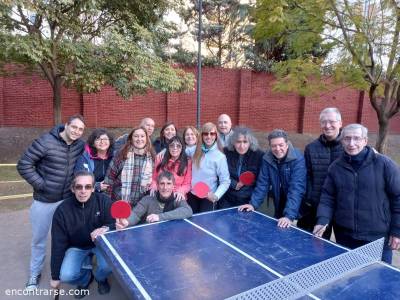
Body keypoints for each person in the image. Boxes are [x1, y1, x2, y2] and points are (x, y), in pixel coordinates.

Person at [313, 124, 400, 264]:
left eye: (356, 138)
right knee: (350, 282)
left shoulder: (385, 165)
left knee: (379, 282)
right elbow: (328, 197)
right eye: (347, 139)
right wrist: (322, 219)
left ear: (365, 141)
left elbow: (398, 198)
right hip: (345, 237)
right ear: (342, 141)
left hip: (377, 239)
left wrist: (397, 231)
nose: (351, 143)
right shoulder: (335, 168)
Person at [17, 114, 85, 290]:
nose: (77, 131)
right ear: (66, 125)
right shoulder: (46, 141)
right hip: (44, 200)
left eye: (80, 129)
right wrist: (42, 185)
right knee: (39, 239)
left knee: (70, 237)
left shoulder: (79, 146)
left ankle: (68, 270)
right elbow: (24, 164)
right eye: (74, 127)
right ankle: (34, 273)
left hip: (67, 201)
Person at [50, 171, 114, 298]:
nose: (83, 191)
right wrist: (55, 276)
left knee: (109, 267)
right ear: (73, 189)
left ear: (93, 188)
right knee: (66, 276)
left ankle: (100, 278)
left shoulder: (104, 201)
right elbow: (57, 245)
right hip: (76, 247)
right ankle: (85, 279)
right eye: (79, 186)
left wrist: (106, 228)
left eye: (88, 186)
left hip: (100, 245)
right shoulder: (62, 210)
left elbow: (114, 224)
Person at [239, 129, 306, 228]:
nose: (277, 149)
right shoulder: (267, 159)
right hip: (279, 202)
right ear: (270, 146)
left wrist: (289, 216)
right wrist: (253, 204)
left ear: (287, 144)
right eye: (274, 146)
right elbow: (262, 184)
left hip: (299, 206)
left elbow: (296, 189)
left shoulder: (297, 158)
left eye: (281, 145)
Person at [297, 108, 343, 239]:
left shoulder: (350, 147)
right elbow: (307, 177)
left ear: (340, 123)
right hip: (317, 207)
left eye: (331, 121)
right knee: (316, 247)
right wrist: (310, 200)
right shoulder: (311, 148)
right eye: (324, 122)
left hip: (343, 208)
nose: (327, 125)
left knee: (344, 250)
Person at [116, 171, 193, 228]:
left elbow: (188, 211)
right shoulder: (147, 199)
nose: (165, 187)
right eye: (162, 183)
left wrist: (159, 217)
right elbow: (136, 214)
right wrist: (126, 222)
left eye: (168, 183)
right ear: (157, 185)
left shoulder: (177, 199)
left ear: (173, 186)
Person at [104, 127, 154, 206]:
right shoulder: (121, 155)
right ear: (131, 139)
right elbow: (109, 180)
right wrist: (106, 203)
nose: (139, 139)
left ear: (147, 139)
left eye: (142, 136)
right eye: (136, 136)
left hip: (142, 206)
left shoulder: (152, 158)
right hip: (119, 202)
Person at [188, 122, 230, 213]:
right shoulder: (193, 150)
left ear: (216, 136)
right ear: (202, 136)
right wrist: (163, 153)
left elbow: (225, 181)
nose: (209, 136)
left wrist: (216, 196)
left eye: (212, 133)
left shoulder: (220, 157)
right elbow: (178, 151)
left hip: (208, 197)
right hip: (192, 195)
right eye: (206, 133)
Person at [219, 127, 264, 208]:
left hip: (247, 201)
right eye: (238, 142)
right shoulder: (226, 152)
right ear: (233, 142)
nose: (242, 146)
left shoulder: (259, 155)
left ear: (250, 142)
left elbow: (261, 182)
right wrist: (234, 184)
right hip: (227, 199)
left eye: (245, 142)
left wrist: (253, 204)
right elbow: (220, 174)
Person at [150, 136, 192, 201]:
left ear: (182, 148)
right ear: (168, 148)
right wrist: (154, 186)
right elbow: (154, 179)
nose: (175, 148)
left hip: (177, 196)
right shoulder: (160, 159)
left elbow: (187, 184)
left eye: (178, 146)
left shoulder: (187, 162)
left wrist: (181, 191)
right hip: (161, 193)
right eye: (172, 145)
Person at [74, 128, 114, 193]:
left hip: (110, 194)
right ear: (93, 143)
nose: (102, 142)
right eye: (98, 139)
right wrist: (96, 186)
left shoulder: (114, 157)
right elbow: (79, 178)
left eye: (105, 139)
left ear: (110, 142)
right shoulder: (85, 158)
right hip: (90, 194)